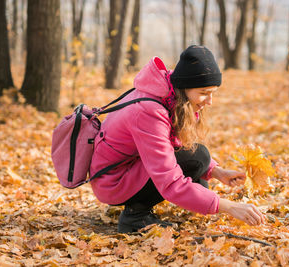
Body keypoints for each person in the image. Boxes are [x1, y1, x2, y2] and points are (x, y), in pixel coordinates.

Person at [90, 45, 266, 233]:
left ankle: (142, 207)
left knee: (200, 161)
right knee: (196, 159)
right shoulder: (149, 111)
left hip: (125, 171)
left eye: (213, 93)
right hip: (113, 183)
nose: (210, 101)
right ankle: (135, 217)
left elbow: (175, 146)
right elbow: (169, 180)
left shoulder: (167, 95)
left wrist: (217, 172)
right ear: (185, 88)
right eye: (204, 93)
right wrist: (229, 206)